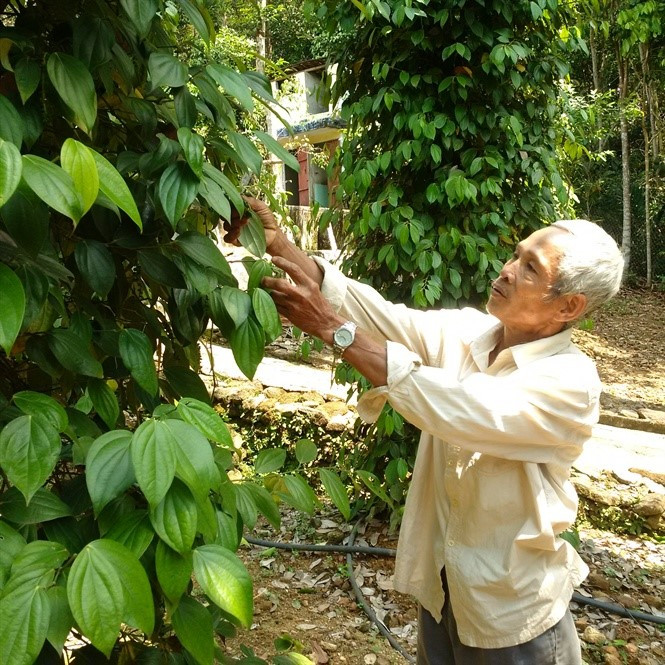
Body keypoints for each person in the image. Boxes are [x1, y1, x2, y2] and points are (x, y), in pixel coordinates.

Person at [225, 199, 624, 665]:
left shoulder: (571, 383)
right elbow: (377, 314)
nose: (508, 269)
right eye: (515, 254)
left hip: (512, 612)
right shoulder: (470, 333)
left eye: (529, 267)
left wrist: (334, 330)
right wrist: (274, 241)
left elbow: (457, 408)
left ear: (569, 306)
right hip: (443, 586)